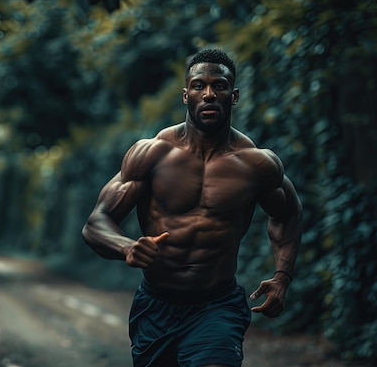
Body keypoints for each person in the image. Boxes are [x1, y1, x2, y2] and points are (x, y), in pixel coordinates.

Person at [82, 48, 303, 367]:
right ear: (186, 95)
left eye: (220, 85)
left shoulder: (257, 164)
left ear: (234, 95)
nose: (209, 93)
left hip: (218, 305)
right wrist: (127, 247)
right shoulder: (152, 155)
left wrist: (282, 275)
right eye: (199, 85)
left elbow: (288, 214)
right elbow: (96, 223)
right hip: (156, 306)